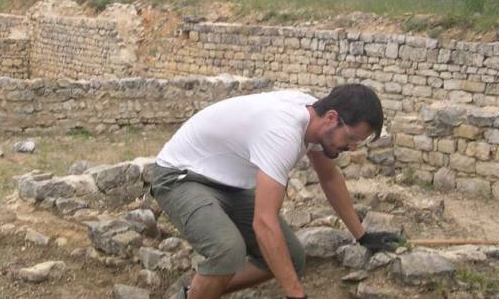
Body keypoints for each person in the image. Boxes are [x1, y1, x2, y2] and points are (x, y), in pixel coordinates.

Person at [151, 84, 403, 299]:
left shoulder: (315, 118)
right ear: (332, 118)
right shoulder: (282, 133)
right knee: (228, 250)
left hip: (230, 184)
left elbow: (329, 177)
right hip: (181, 176)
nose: (351, 147)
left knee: (291, 259)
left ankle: (193, 293)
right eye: (351, 138)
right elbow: (264, 222)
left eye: (357, 142)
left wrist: (362, 235)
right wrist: (296, 294)